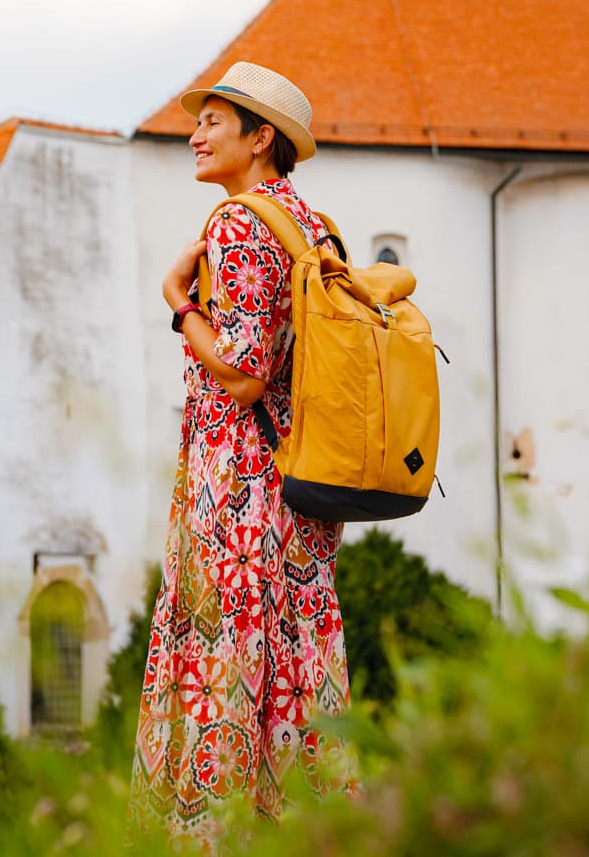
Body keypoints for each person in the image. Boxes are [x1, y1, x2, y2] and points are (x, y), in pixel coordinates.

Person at [130, 61, 354, 843]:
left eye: (212, 122)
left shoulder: (238, 223)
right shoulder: (310, 225)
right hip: (298, 487)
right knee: (291, 667)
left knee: (223, 663)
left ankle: (213, 832)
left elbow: (243, 371)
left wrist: (178, 303)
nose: (195, 136)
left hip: (238, 491)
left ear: (261, 139)